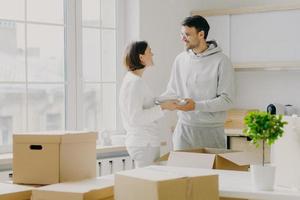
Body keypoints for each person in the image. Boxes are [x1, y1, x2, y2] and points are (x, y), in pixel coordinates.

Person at [163, 15, 235, 150]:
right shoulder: (180, 59)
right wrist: (156, 102)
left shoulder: (222, 61)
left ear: (201, 34)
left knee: (212, 171)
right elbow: (172, 92)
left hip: (211, 132)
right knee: (181, 171)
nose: (182, 38)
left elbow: (227, 100)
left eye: (187, 34)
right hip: (183, 130)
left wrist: (196, 106)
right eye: (181, 34)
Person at [119, 41, 178, 167]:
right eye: (149, 51)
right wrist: (163, 107)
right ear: (141, 57)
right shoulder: (134, 83)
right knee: (147, 184)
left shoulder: (135, 81)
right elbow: (136, 117)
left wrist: (165, 101)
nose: (152, 54)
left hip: (146, 142)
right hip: (143, 143)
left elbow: (146, 104)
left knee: (152, 182)